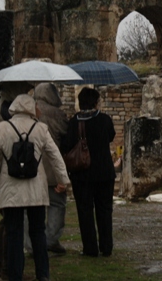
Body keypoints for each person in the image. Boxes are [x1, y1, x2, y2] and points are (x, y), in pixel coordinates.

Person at [0, 94, 70, 281]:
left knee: (13, 233)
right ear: (30, 108)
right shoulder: (41, 129)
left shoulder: (2, 128)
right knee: (38, 232)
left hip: (11, 189)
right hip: (35, 189)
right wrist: (63, 179)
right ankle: (43, 274)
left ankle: (14, 275)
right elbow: (55, 156)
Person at [0, 81, 32, 278]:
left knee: (9, 218)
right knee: (11, 219)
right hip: (4, 170)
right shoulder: (5, 110)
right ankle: (0, 263)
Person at [61, 87, 116, 257]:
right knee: (105, 209)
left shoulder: (74, 122)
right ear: (95, 102)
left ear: (79, 102)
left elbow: (66, 145)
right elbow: (111, 136)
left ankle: (90, 247)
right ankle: (106, 246)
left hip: (82, 173)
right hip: (104, 172)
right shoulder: (105, 120)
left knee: (85, 210)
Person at [24, 83, 69, 256]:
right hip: (51, 166)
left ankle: (30, 244)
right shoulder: (56, 113)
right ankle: (50, 240)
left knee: (31, 208)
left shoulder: (28, 111)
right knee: (57, 203)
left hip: (31, 165)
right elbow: (65, 133)